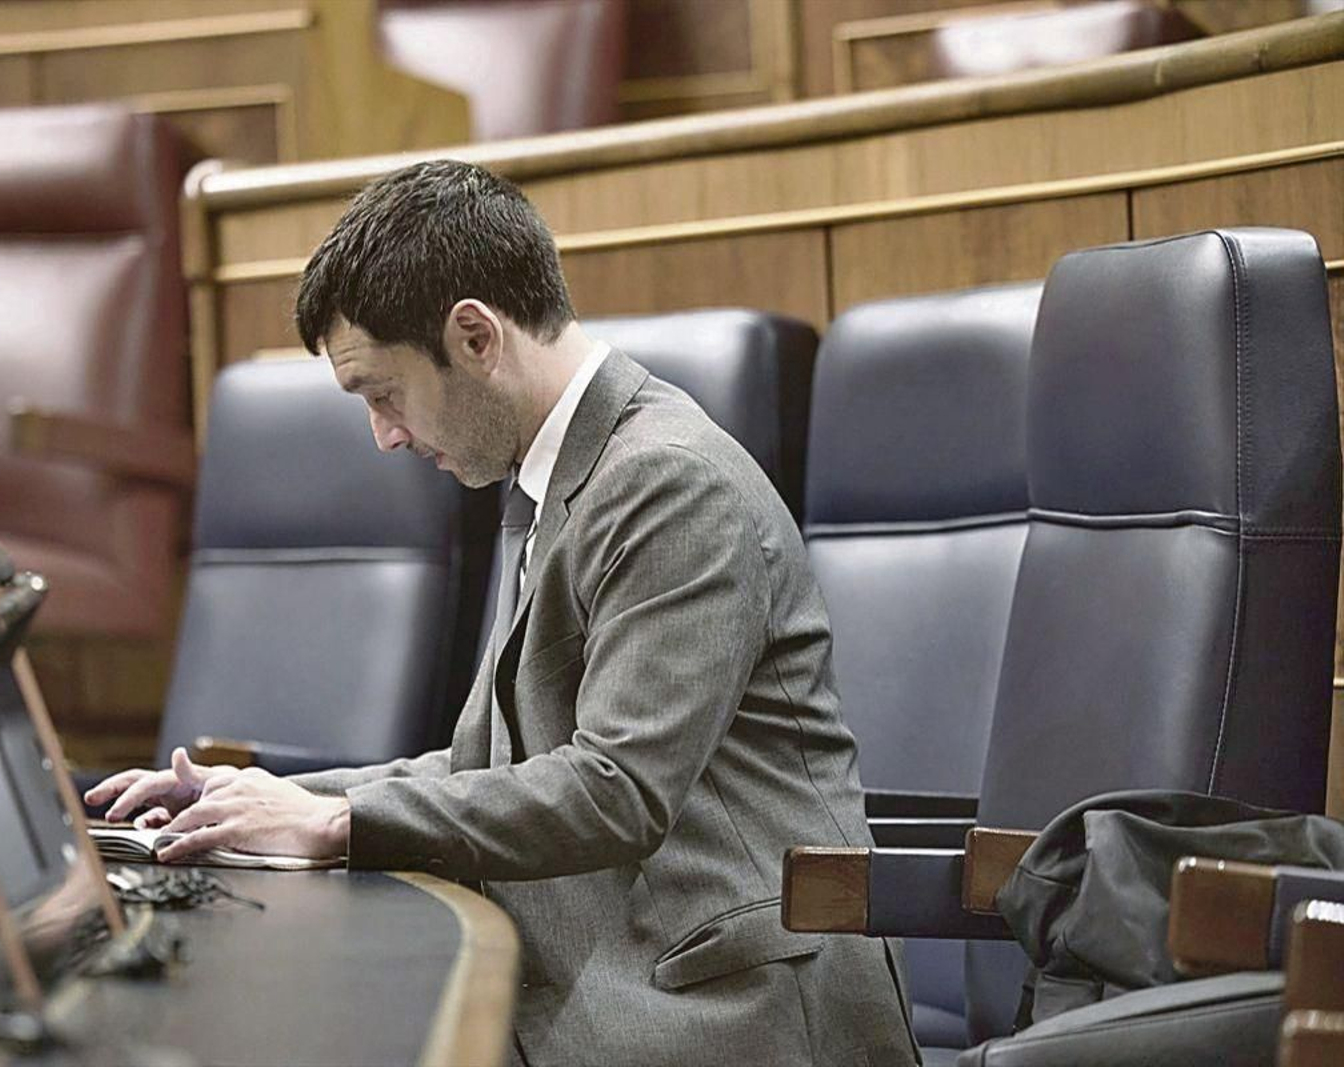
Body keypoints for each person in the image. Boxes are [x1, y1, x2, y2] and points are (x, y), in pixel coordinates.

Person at [86, 160, 917, 1066]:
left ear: (475, 336)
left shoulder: (668, 482)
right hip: (620, 981)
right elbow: (485, 766)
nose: (385, 435)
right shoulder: (559, 479)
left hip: (730, 1013)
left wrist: (339, 826)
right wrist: (271, 801)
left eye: (384, 393)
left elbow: (616, 788)